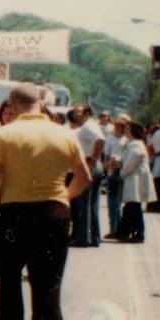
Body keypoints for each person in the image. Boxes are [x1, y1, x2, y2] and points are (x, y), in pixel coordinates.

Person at [0, 83, 92, 320]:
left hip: (13, 213)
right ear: (41, 105)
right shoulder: (64, 134)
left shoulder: (4, 134)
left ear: (14, 105)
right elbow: (84, 176)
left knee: (8, 282)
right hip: (53, 214)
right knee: (47, 287)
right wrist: (64, 200)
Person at [68, 105, 103, 246]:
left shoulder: (88, 126)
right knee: (91, 203)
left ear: (87, 114)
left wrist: (93, 158)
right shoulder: (90, 125)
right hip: (92, 165)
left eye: (79, 111)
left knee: (83, 203)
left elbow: (100, 140)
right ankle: (94, 237)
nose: (76, 114)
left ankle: (82, 237)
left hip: (88, 164)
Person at [115, 121, 154, 243]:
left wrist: (121, 174)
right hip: (132, 178)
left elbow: (130, 164)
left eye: (127, 128)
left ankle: (137, 234)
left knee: (133, 207)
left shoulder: (136, 145)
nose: (125, 130)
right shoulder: (131, 143)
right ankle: (123, 233)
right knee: (131, 207)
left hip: (135, 179)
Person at [101, 114, 127, 236]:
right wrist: (106, 167)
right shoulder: (110, 139)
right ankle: (113, 229)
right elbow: (106, 155)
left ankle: (119, 228)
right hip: (111, 171)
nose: (117, 128)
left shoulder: (126, 140)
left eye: (119, 126)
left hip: (122, 170)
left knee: (119, 203)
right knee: (112, 202)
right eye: (115, 125)